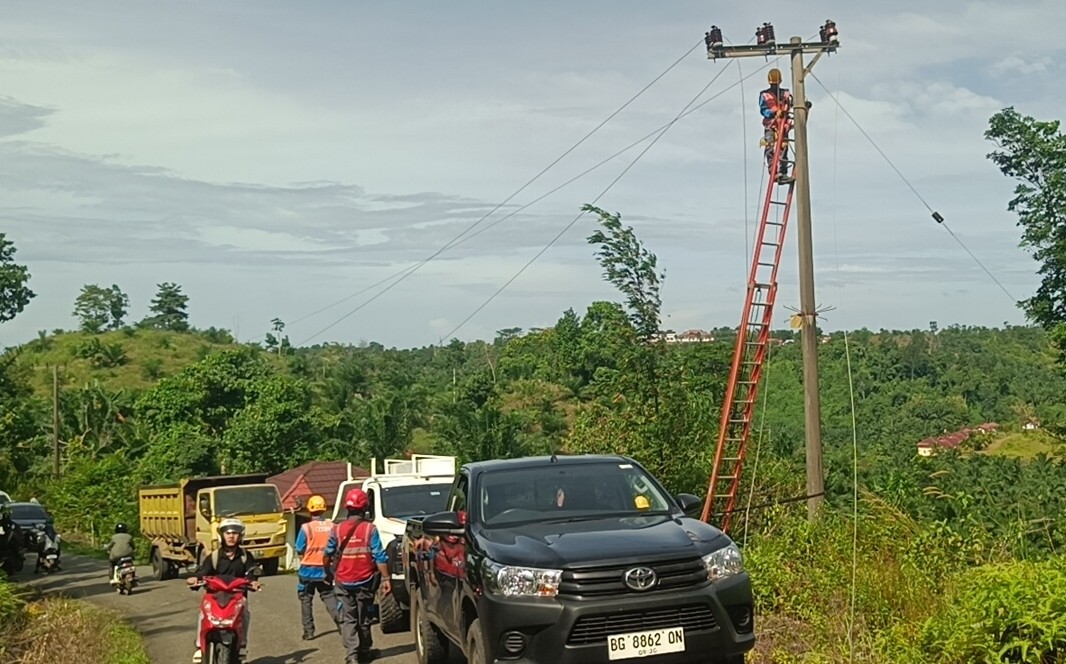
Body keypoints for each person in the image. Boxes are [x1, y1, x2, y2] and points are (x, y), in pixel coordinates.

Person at [323, 488, 391, 664]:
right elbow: (379, 556)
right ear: (364, 508)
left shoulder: (337, 530)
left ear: (347, 508)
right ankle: (365, 650)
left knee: (349, 618)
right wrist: (386, 579)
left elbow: (327, 554)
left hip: (343, 581)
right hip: (365, 581)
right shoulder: (370, 529)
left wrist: (327, 573)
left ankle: (352, 655)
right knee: (365, 617)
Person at [186, 518, 262, 664]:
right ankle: (198, 646)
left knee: (245, 613)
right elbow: (203, 572)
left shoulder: (246, 557)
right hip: (214, 596)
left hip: (237, 597)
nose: (231, 536)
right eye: (228, 533)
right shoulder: (214, 556)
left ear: (240, 536)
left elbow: (252, 574)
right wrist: (195, 578)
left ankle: (242, 645)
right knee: (202, 614)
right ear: (222, 535)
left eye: (235, 533)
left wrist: (253, 582)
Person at [295, 494, 339, 640]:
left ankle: (309, 632)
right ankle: (341, 623)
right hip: (326, 568)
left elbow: (299, 548)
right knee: (329, 596)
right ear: (324, 509)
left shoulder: (306, 528)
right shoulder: (332, 526)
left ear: (309, 509)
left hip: (307, 569)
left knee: (306, 599)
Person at [759, 68, 795, 184]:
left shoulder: (786, 94)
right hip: (771, 126)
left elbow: (793, 102)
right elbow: (763, 110)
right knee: (770, 147)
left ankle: (782, 173)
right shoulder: (765, 95)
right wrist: (774, 112)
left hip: (783, 126)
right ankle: (773, 172)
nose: (774, 86)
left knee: (783, 147)